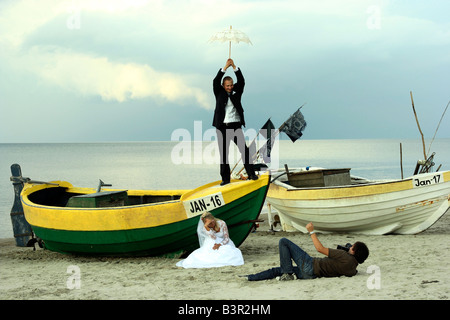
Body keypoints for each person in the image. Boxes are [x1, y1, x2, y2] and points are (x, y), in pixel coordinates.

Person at [246, 222, 369, 281]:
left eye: (352, 247)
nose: (350, 247)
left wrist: (311, 231)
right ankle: (250, 277)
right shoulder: (353, 269)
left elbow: (320, 249)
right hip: (312, 275)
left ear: (354, 252)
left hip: (310, 265)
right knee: (278, 270)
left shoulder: (344, 255)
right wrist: (349, 249)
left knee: (283, 241)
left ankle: (287, 274)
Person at [212, 58, 258, 186]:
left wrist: (235, 68)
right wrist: (224, 68)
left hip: (236, 126)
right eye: (227, 86)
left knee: (244, 150)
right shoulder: (219, 91)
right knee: (224, 154)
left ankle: (251, 174)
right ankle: (225, 179)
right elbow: (215, 81)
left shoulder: (237, 91)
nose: (230, 87)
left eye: (231, 85)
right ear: (223, 86)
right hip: (222, 127)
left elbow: (242, 81)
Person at [176, 212, 244, 268]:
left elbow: (226, 238)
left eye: (213, 221)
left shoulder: (222, 223)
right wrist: (206, 227)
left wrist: (220, 244)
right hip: (212, 241)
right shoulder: (205, 228)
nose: (212, 223)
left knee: (231, 253)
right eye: (210, 223)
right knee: (210, 256)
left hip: (223, 241)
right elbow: (213, 238)